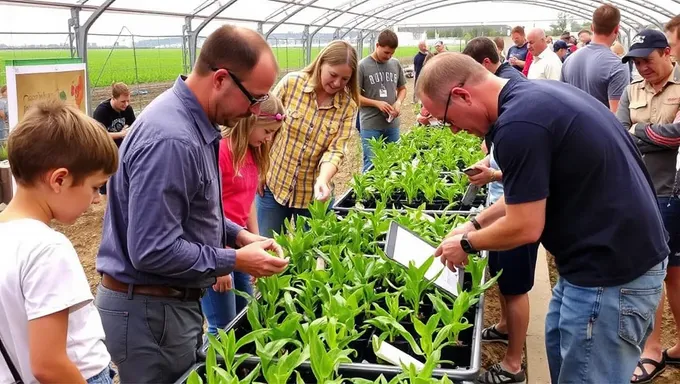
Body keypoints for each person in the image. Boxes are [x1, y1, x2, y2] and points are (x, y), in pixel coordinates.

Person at [417, 52, 668, 384]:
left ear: (462, 95)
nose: (452, 131)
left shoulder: (518, 125)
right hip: (596, 265)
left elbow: (525, 224)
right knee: (563, 358)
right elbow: (529, 191)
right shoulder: (534, 98)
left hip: (612, 275)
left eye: (446, 119)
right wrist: (475, 222)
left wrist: (466, 243)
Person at [94, 25, 289, 383]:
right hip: (149, 311)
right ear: (220, 79)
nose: (253, 110)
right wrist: (234, 260)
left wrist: (239, 236)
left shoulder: (192, 124)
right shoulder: (173, 139)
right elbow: (152, 250)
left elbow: (192, 211)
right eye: (254, 97)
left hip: (162, 307)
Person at [0, 100, 117, 383]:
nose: (95, 200)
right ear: (59, 180)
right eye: (94, 187)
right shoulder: (47, 249)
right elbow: (48, 364)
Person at [462, 37, 534, 384]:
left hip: (517, 205)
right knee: (502, 276)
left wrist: (465, 241)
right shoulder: (506, 99)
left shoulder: (517, 108)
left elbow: (528, 172)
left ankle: (513, 365)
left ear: (485, 66)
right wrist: (488, 161)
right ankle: (505, 327)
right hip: (501, 200)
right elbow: (506, 155)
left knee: (516, 285)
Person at [615, 28, 680, 383]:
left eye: (648, 60)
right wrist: (656, 134)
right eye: (636, 62)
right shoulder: (631, 90)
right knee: (651, 273)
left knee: (674, 273)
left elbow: (677, 136)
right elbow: (619, 135)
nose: (642, 68)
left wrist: (642, 134)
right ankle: (652, 349)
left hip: (674, 192)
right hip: (642, 192)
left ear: (667, 52)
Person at [257, 40, 359, 238]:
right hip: (274, 184)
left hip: (313, 195)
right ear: (321, 64)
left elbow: (336, 150)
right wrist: (260, 169)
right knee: (267, 248)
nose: (338, 83)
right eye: (333, 75)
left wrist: (323, 179)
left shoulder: (348, 106)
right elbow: (265, 126)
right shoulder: (292, 83)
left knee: (313, 255)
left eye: (345, 79)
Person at [202, 96, 284, 335]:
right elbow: (206, 212)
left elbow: (248, 203)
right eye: (267, 131)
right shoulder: (221, 152)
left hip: (240, 244)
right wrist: (220, 266)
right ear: (250, 121)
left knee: (246, 314)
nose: (269, 138)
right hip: (215, 248)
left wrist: (257, 242)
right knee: (223, 325)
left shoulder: (253, 153)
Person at [560, 4, 629, 113]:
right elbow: (617, 116)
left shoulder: (569, 59)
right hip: (601, 129)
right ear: (617, 29)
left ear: (592, 27)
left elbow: (562, 101)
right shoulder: (617, 65)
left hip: (572, 128)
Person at [358, 29, 407, 171]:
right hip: (370, 124)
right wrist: (376, 103)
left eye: (392, 52)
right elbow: (354, 97)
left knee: (395, 161)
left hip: (392, 124)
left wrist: (398, 102)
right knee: (372, 164)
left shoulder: (395, 64)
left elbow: (402, 88)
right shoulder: (363, 66)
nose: (389, 56)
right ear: (377, 45)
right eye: (386, 52)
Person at [92, 82, 136, 195]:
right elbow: (99, 135)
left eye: (128, 101)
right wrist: (121, 133)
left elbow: (133, 127)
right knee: (106, 187)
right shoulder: (101, 111)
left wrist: (126, 132)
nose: (126, 104)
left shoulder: (128, 109)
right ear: (113, 98)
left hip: (122, 150)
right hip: (105, 151)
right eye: (123, 101)